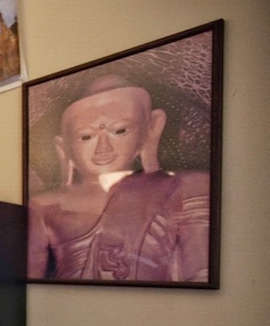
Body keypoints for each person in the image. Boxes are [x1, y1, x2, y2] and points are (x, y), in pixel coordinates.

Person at [28, 74, 210, 282]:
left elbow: (202, 274)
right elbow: (29, 285)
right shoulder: (44, 206)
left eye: (120, 130)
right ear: (63, 147)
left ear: (152, 129)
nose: (103, 148)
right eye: (86, 136)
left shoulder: (189, 186)